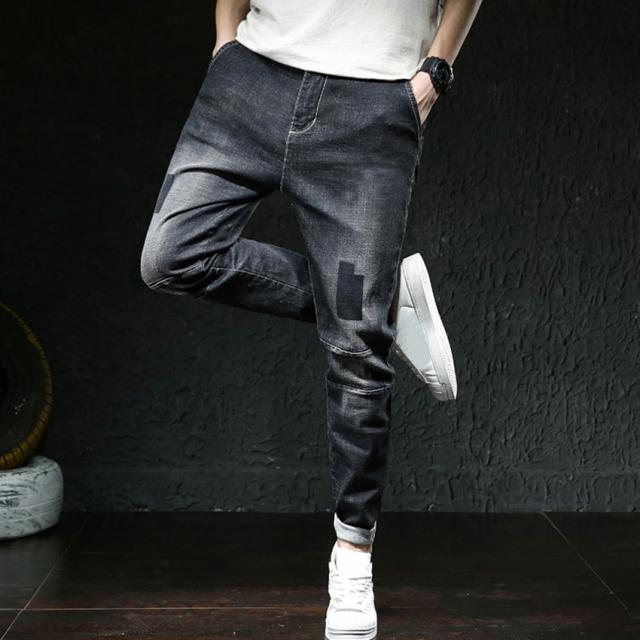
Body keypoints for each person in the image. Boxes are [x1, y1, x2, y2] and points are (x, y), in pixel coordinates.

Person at [139, 1, 483, 638]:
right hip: (251, 78)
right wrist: (225, 43)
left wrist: (435, 71)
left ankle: (352, 558)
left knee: (357, 354)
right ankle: (382, 305)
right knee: (173, 256)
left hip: (373, 99)